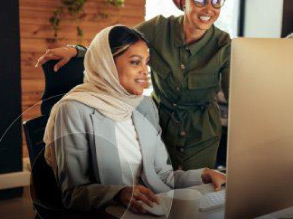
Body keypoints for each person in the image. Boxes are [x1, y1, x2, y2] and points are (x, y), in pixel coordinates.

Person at [43, 25, 225, 214]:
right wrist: (119, 193)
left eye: (146, 62)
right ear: (107, 65)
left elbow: (161, 175)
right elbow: (73, 193)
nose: (145, 71)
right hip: (110, 212)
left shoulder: (144, 105)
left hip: (154, 207)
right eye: (135, 62)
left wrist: (203, 175)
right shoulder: (73, 110)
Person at [36, 0, 231, 171]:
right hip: (160, 126)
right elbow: (116, 47)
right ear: (181, 2)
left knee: (198, 195)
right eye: (200, 0)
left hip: (201, 136)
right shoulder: (158, 29)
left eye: (216, 1)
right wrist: (75, 51)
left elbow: (237, 96)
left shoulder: (224, 45)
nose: (209, 8)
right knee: (160, 188)